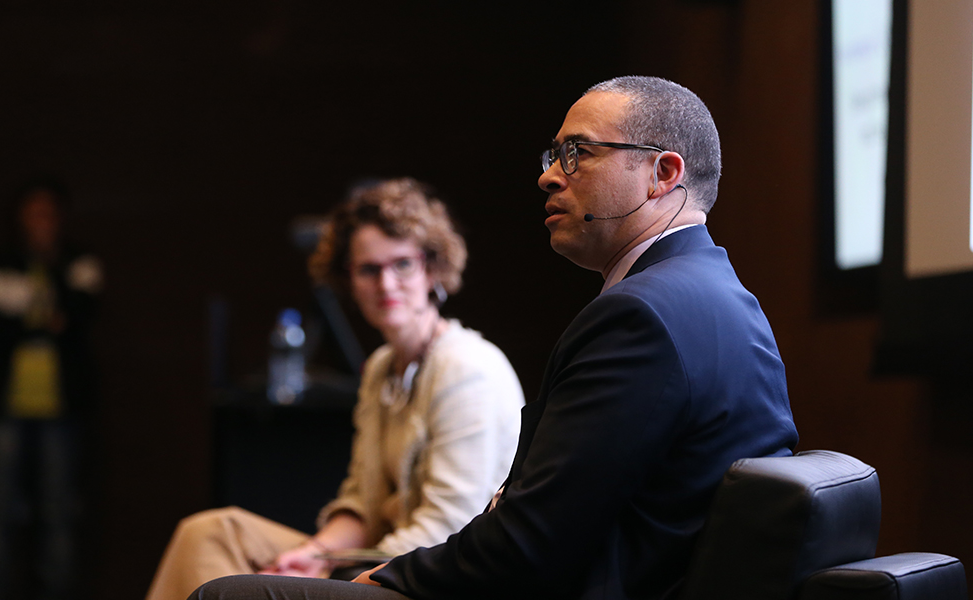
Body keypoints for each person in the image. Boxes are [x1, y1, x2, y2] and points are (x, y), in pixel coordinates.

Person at [191, 76, 800, 600]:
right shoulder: (717, 296)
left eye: (577, 153)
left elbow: (529, 543)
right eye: (553, 155)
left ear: (662, 174)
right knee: (216, 543)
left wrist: (387, 578)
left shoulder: (640, 314)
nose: (548, 177)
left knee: (228, 596)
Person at [144, 178, 524, 600]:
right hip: (377, 554)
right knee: (212, 533)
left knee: (239, 585)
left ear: (431, 268)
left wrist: (338, 575)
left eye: (402, 264)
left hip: (437, 575)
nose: (385, 283)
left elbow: (448, 529)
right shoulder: (381, 368)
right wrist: (314, 553)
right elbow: (361, 502)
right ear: (349, 280)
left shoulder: (468, 367)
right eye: (368, 269)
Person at [0, 177, 103, 600]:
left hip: (61, 408)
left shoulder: (77, 263)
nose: (40, 222)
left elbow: (79, 318)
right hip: (3, 407)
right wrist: (44, 320)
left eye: (48, 214)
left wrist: (46, 279)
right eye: (33, 213)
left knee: (58, 512)